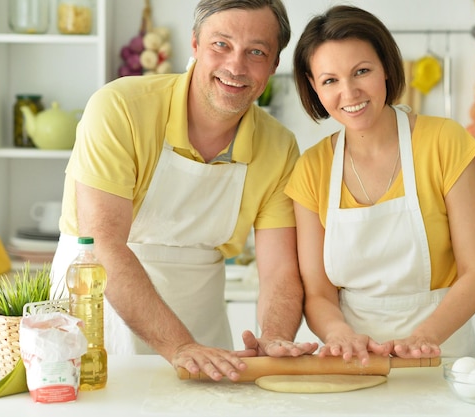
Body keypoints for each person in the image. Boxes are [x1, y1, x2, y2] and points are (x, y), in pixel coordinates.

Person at [50, 0, 317, 382]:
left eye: (256, 52)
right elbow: (103, 244)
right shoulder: (120, 108)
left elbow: (279, 271)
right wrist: (178, 346)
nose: (236, 67)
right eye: (220, 45)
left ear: (274, 66)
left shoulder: (279, 147)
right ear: (194, 44)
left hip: (203, 336)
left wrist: (274, 337)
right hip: (95, 320)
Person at [286, 5, 475, 364]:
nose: (349, 92)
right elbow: (319, 293)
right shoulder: (311, 169)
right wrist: (338, 334)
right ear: (313, 86)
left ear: (385, 68)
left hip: (442, 356)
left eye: (361, 71)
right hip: (355, 361)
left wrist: (424, 337)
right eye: (330, 80)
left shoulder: (444, 142)